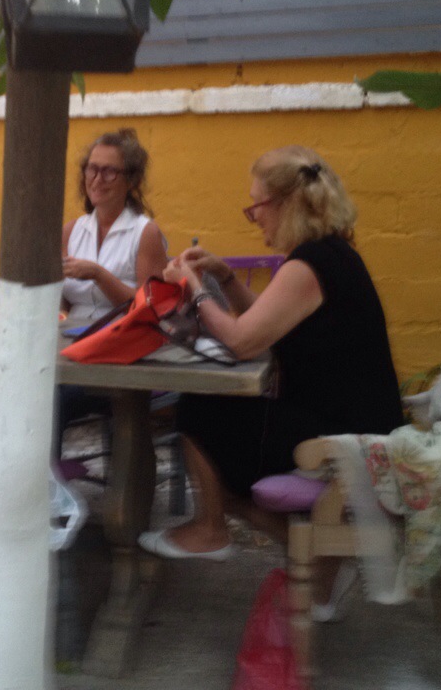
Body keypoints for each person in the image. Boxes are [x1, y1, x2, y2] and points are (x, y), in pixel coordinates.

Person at [139, 145, 403, 615]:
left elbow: (243, 342)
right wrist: (225, 277)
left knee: (198, 409)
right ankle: (318, 562)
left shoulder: (309, 266)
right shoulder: (327, 255)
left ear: (284, 204)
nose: (254, 217)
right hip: (352, 418)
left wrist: (195, 288)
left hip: (341, 433)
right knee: (218, 442)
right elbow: (264, 325)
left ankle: (210, 531)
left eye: (255, 206)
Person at [58, 128, 168, 432]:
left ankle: (46, 463)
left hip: (123, 357)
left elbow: (152, 308)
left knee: (53, 400)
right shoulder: (72, 230)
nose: (97, 179)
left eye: (109, 172)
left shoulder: (145, 233)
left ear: (131, 181)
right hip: (74, 347)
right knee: (31, 388)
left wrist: (99, 275)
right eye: (91, 169)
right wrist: (55, 299)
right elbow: (62, 302)